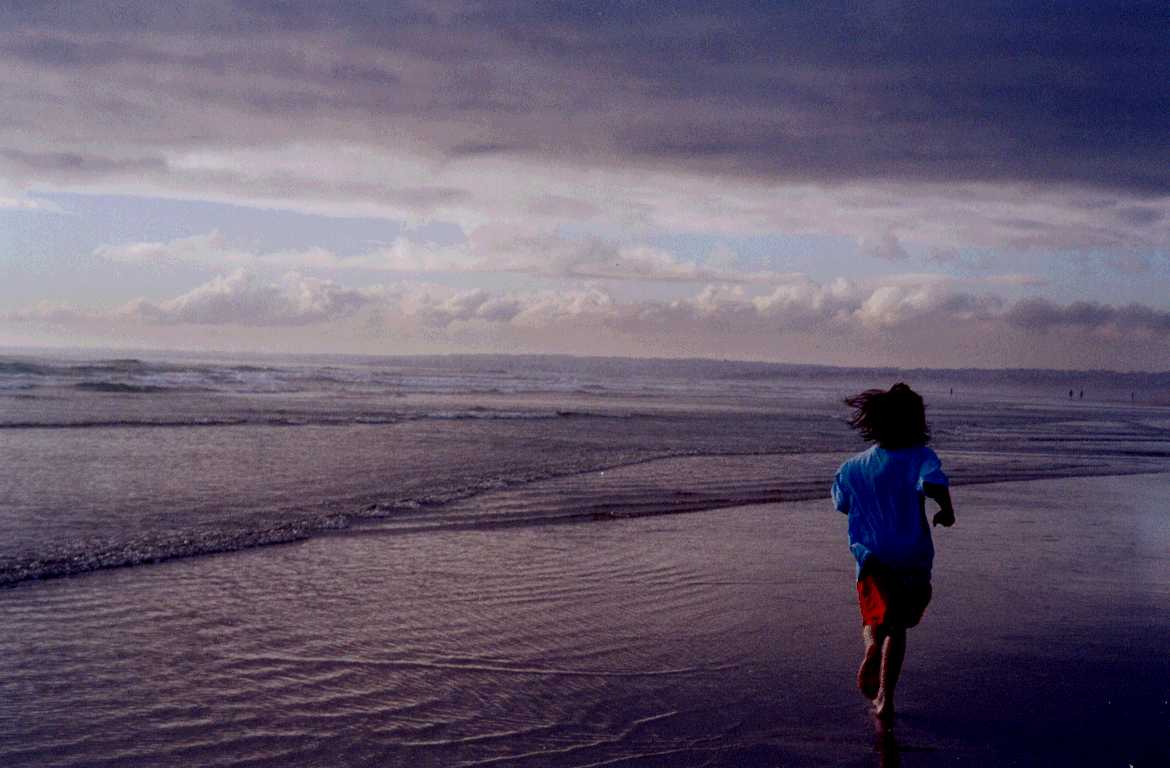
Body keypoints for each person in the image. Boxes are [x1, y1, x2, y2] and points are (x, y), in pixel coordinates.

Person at [831, 383, 955, 724]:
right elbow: (933, 484)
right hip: (911, 558)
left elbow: (841, 504)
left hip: (870, 557)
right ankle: (885, 697)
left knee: (876, 622)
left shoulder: (851, 468)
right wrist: (947, 510)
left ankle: (872, 647)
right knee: (900, 626)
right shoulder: (921, 456)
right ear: (916, 422)